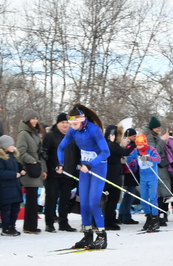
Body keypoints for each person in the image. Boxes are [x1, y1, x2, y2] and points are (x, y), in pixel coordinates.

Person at [57, 105, 110, 249]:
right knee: (84, 203)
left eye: (75, 124)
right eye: (71, 124)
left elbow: (106, 152)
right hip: (84, 169)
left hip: (98, 167)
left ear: (82, 120)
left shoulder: (93, 129)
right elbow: (61, 147)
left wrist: (91, 164)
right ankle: (87, 236)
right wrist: (61, 164)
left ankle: (101, 236)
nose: (72, 127)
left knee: (93, 202)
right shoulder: (74, 131)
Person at [43, 113, 77, 233]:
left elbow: (76, 154)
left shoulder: (72, 137)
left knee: (65, 199)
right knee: (51, 198)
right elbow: (44, 153)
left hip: (68, 173)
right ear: (57, 124)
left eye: (67, 123)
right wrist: (50, 167)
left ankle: (64, 222)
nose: (65, 125)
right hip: (53, 174)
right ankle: (49, 222)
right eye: (63, 123)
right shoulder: (50, 136)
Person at [16, 109, 47, 234]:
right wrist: (33, 161)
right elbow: (21, 152)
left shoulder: (35, 133)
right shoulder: (23, 134)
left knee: (33, 199)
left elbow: (40, 153)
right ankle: (29, 226)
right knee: (31, 199)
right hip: (30, 169)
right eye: (32, 118)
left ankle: (31, 225)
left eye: (36, 118)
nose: (35, 121)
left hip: (36, 168)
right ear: (27, 120)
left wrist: (43, 168)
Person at [126, 134, 162, 233]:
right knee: (144, 199)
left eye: (141, 145)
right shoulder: (136, 151)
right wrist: (125, 160)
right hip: (143, 179)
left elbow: (158, 159)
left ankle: (155, 219)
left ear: (145, 143)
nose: (139, 147)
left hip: (152, 178)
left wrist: (148, 158)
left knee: (153, 198)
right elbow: (130, 157)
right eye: (137, 145)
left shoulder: (151, 150)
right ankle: (148, 217)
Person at [0, 135, 23, 236]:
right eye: (10, 144)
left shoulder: (12, 156)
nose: (13, 146)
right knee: (6, 209)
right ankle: (6, 227)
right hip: (5, 188)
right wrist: (13, 175)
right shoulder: (0, 159)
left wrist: (21, 170)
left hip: (15, 187)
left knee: (15, 208)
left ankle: (12, 226)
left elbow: (16, 167)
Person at [102, 124, 128, 231]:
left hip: (112, 174)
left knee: (111, 199)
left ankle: (110, 218)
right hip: (112, 175)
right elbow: (124, 152)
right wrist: (131, 145)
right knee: (112, 199)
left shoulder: (108, 144)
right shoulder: (111, 144)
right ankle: (108, 220)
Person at [118, 128, 140, 225]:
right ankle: (125, 215)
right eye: (134, 136)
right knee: (129, 195)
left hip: (131, 171)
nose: (135, 138)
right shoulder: (128, 146)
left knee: (128, 195)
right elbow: (128, 154)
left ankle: (123, 215)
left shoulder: (130, 145)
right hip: (129, 172)